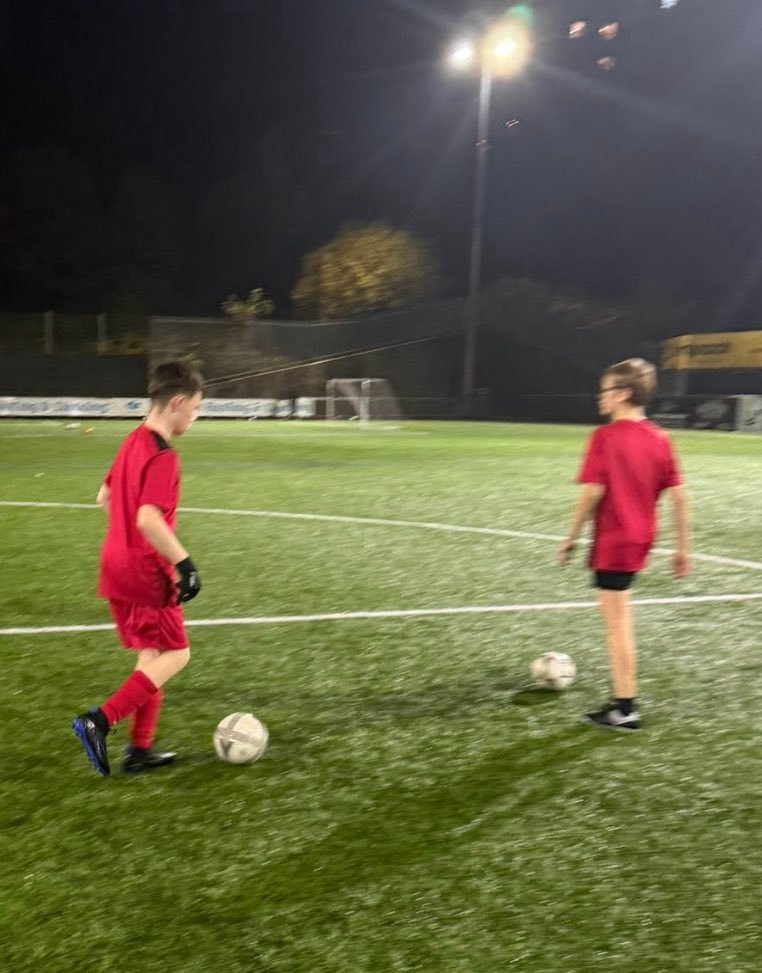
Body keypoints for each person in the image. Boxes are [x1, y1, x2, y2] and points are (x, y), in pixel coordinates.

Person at [72, 360, 204, 775]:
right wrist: (185, 564)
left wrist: (123, 541)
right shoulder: (164, 456)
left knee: (152, 656)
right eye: (197, 408)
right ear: (177, 403)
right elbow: (148, 518)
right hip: (147, 573)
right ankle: (100, 720)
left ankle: (139, 751)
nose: (197, 416)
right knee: (177, 654)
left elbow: (104, 497)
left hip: (115, 566)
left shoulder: (131, 441)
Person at [556, 358, 691, 731]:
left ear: (623, 394)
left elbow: (593, 492)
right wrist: (682, 548)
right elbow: (680, 497)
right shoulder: (661, 438)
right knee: (620, 620)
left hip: (614, 540)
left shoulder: (605, 437)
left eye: (605, 390)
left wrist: (570, 537)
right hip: (640, 539)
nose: (600, 398)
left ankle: (625, 707)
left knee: (617, 625)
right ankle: (624, 703)